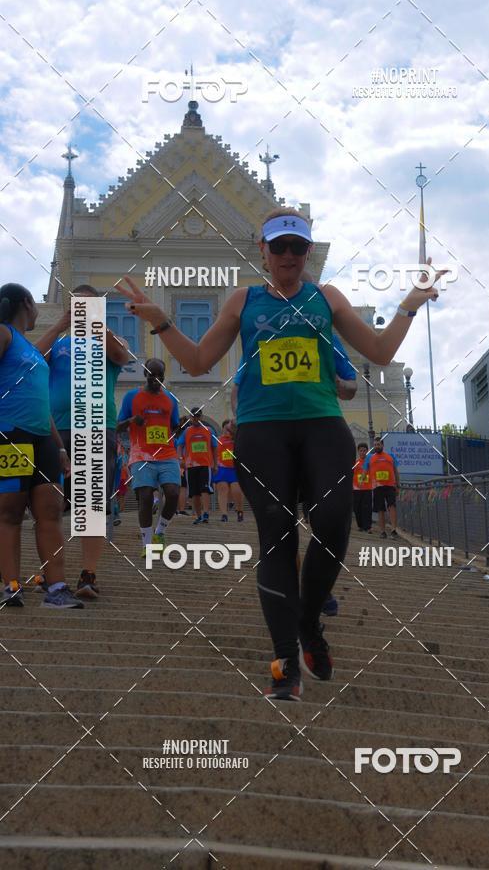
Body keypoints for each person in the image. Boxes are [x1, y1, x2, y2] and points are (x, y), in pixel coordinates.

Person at [116, 207, 446, 700]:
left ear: (307, 252)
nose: (288, 255)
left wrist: (409, 305)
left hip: (321, 426)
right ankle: (285, 663)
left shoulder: (325, 297)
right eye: (279, 246)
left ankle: (308, 621)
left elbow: (377, 351)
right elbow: (199, 361)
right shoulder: (242, 300)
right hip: (261, 430)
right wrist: (162, 322)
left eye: (297, 246)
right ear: (263, 252)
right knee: (277, 536)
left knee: (334, 525)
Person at [35, 284, 129, 598]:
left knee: (90, 505)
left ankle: (88, 575)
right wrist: (61, 324)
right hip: (57, 429)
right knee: (50, 503)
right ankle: (52, 574)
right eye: (77, 304)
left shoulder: (108, 340)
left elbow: (122, 354)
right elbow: (33, 360)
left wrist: (96, 322)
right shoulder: (60, 342)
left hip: (97, 428)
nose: (82, 310)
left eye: (88, 305)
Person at [0, 283, 82, 608]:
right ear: (27, 303)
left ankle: (56, 587)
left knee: (50, 511)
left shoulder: (29, 348)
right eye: (36, 306)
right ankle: (11, 586)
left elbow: (42, 399)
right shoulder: (4, 333)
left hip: (43, 439)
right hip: (11, 434)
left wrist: (60, 447)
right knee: (9, 512)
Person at [116, 358, 180, 556]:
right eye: (152, 375)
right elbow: (117, 427)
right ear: (145, 374)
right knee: (144, 496)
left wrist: (182, 426)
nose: (157, 379)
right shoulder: (131, 397)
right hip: (141, 453)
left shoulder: (170, 399)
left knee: (173, 493)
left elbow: (174, 428)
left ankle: (159, 532)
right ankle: (146, 544)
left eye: (160, 376)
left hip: (167, 453)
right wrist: (131, 420)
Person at [177, 407, 217, 524]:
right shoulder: (187, 431)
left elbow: (214, 448)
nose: (196, 418)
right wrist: (180, 459)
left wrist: (215, 464)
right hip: (190, 465)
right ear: (190, 417)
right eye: (193, 416)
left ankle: (205, 513)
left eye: (198, 416)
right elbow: (179, 445)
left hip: (205, 464)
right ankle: (199, 515)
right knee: (194, 492)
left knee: (205, 489)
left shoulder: (209, 430)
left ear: (201, 417)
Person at [363, 437, 400, 538]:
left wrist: (398, 485)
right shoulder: (370, 457)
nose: (376, 446)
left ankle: (393, 530)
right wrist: (362, 482)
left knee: (392, 506)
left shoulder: (390, 456)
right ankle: (383, 531)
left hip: (390, 486)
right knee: (380, 509)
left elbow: (396, 471)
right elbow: (365, 471)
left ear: (382, 445)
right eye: (375, 445)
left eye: (378, 444)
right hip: (377, 487)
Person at [214, 419, 243, 522]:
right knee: (222, 490)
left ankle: (239, 510)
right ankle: (224, 514)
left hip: (235, 468)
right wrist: (214, 466)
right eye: (226, 429)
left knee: (236, 490)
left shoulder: (238, 439)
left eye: (229, 430)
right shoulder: (218, 440)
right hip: (222, 468)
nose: (228, 431)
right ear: (222, 429)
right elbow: (215, 454)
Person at [353, 441, 373, 533]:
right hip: (357, 489)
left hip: (368, 488)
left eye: (364, 450)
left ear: (367, 451)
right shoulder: (355, 463)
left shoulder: (370, 462)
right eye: (361, 451)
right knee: (357, 508)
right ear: (358, 451)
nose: (362, 452)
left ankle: (368, 526)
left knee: (367, 508)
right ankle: (360, 525)